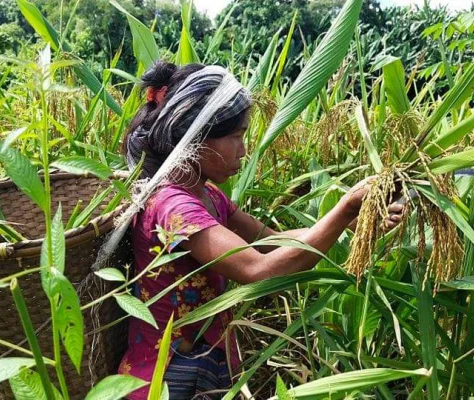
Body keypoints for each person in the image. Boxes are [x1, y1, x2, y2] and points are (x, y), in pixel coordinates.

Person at [117, 61, 404, 400]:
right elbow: (256, 269)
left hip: (203, 361)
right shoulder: (172, 206)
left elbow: (270, 241)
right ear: (194, 137)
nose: (243, 150)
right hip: (167, 378)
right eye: (235, 137)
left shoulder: (207, 195)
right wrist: (342, 212)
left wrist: (349, 223)